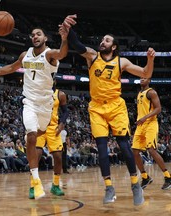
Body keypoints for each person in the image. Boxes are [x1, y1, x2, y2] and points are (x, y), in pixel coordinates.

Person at [63, 14, 156, 205]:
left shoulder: (122, 62)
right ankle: (109, 187)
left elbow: (146, 73)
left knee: (124, 146)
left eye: (106, 40)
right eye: (102, 39)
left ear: (113, 46)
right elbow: (77, 44)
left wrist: (150, 59)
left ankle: (135, 184)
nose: (102, 42)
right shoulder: (92, 56)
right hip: (96, 107)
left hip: (115, 106)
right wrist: (68, 27)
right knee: (102, 149)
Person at [0, 26, 69, 199]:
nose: (35, 36)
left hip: (46, 105)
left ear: (45, 39)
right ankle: (35, 181)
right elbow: (11, 68)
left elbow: (62, 53)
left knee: (42, 134)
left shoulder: (50, 54)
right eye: (33, 34)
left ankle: (53, 182)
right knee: (31, 134)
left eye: (39, 34)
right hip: (29, 102)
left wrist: (65, 38)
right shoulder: (25, 54)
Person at [132, 77, 171, 190]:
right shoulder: (139, 93)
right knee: (134, 151)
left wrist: (145, 117)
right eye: (141, 78)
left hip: (150, 124)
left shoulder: (151, 92)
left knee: (151, 150)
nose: (142, 79)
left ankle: (168, 177)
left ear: (149, 81)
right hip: (140, 125)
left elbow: (158, 109)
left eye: (145, 78)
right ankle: (145, 177)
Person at [29, 87, 68, 199]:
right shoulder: (37, 91)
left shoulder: (60, 94)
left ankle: (55, 185)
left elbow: (65, 112)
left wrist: (62, 123)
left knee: (58, 156)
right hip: (39, 126)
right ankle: (33, 186)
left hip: (53, 128)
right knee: (36, 155)